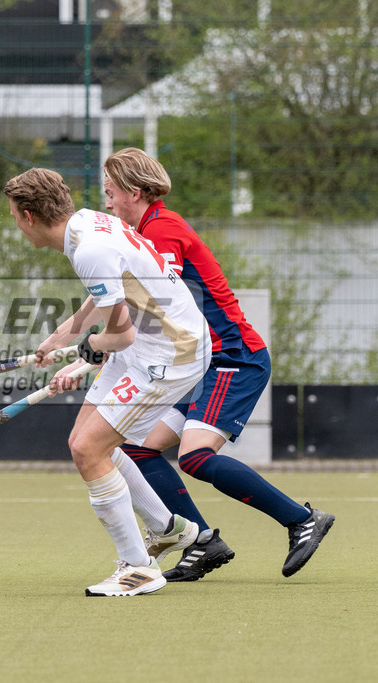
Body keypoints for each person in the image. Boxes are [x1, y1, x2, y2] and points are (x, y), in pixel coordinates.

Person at [101, 147, 334, 580]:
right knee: (137, 447)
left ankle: (301, 519)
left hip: (232, 358)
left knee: (193, 457)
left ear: (134, 191)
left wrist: (105, 345)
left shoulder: (162, 229)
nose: (108, 203)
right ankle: (203, 542)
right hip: (200, 364)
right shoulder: (145, 234)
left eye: (111, 193)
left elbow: (153, 306)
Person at [4, 168, 211, 597]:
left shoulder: (88, 249)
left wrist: (84, 352)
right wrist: (64, 334)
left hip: (170, 352)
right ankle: (168, 529)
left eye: (13, 217)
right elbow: (110, 292)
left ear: (28, 216)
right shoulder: (89, 223)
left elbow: (119, 335)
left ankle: (140, 568)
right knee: (86, 440)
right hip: (150, 340)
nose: (16, 225)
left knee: (88, 449)